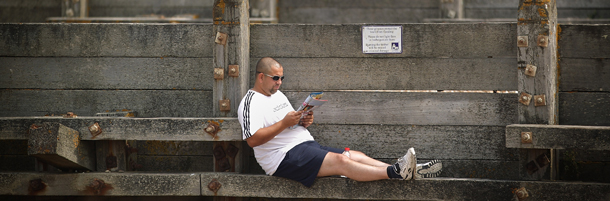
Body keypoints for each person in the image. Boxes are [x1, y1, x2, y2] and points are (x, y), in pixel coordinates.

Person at [237, 57, 442, 187]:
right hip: (282, 158)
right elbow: (252, 140)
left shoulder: (277, 95)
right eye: (275, 78)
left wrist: (302, 121)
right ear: (261, 77)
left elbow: (287, 124)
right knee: (342, 161)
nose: (279, 83)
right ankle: (395, 173)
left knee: (352, 154)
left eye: (282, 78)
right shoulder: (250, 102)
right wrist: (283, 123)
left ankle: (402, 168)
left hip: (304, 147)